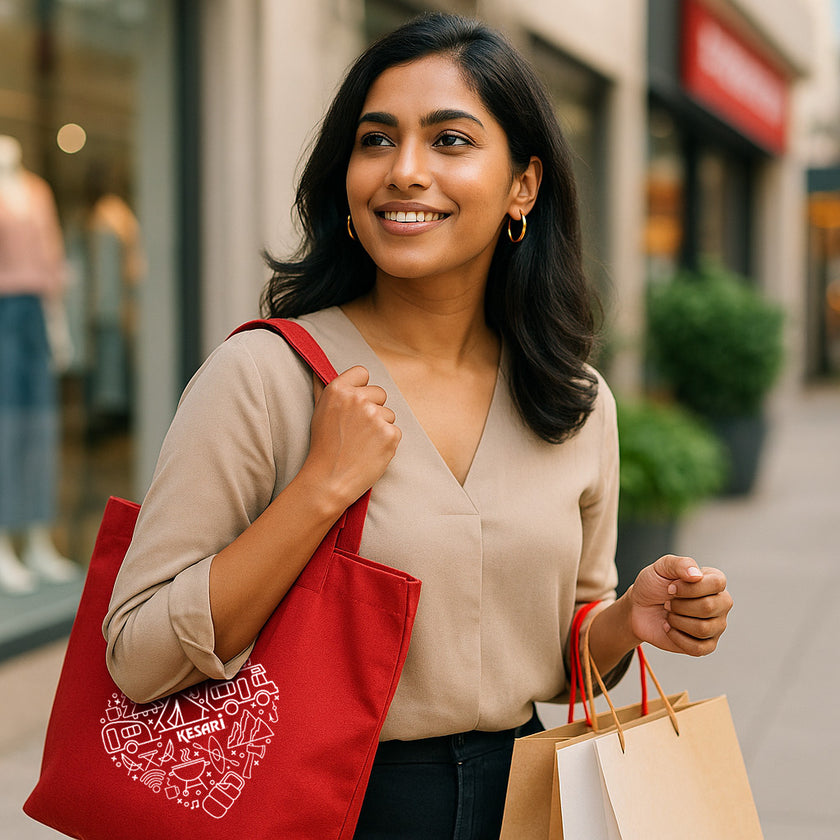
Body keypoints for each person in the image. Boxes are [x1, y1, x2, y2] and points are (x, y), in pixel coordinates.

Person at [104, 13, 733, 839]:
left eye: (449, 141)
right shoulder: (265, 377)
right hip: (322, 807)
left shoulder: (572, 399)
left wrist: (627, 623)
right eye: (376, 140)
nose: (404, 171)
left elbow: (563, 653)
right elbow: (138, 656)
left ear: (523, 186)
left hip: (526, 804)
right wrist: (319, 490)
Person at [0, 134, 77, 594]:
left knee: (41, 427)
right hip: (3, 315)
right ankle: (4, 543)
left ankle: (37, 537)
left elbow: (52, 261)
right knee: (6, 428)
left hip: (36, 315)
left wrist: (58, 327)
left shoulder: (37, 191)